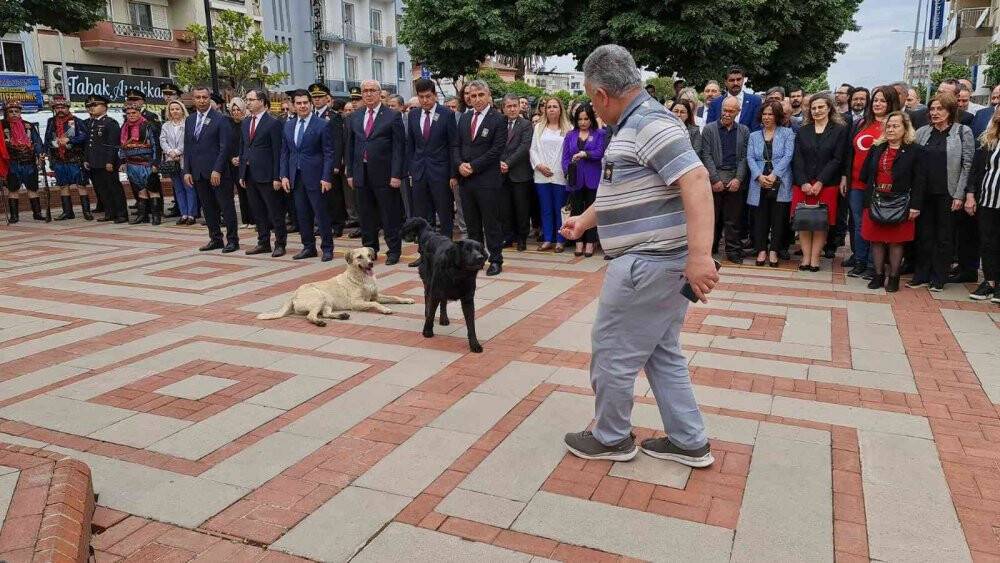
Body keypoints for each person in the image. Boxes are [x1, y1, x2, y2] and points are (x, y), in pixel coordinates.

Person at [561, 44, 718, 467]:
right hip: (658, 265)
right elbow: (621, 191)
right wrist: (585, 221)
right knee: (661, 352)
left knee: (612, 349)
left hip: (647, 264)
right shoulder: (635, 125)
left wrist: (701, 257)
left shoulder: (648, 123)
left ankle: (611, 437)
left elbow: (696, 180)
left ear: (600, 94)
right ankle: (689, 440)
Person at [910, 93, 974, 291]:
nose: (935, 113)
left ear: (950, 111)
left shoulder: (963, 132)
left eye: (940, 109)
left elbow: (967, 165)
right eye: (932, 109)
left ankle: (939, 277)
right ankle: (921, 274)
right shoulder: (922, 132)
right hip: (924, 192)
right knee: (924, 234)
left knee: (944, 237)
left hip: (948, 192)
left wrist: (959, 195)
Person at [859, 111, 924, 292]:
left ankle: (894, 277)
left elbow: (920, 181)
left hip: (901, 202)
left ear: (905, 129)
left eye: (896, 126)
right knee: (877, 240)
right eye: (888, 126)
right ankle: (878, 275)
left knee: (896, 241)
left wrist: (915, 206)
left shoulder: (915, 150)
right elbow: (865, 174)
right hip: (876, 199)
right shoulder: (877, 147)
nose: (891, 129)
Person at [841, 86, 901, 278]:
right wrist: (845, 176)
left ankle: (872, 265)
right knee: (858, 224)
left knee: (873, 224)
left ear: (890, 103)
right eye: (875, 100)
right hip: (856, 183)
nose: (877, 104)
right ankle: (859, 260)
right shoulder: (861, 123)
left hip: (879, 186)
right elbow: (849, 153)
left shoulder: (893, 125)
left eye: (882, 100)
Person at [346, 80, 406, 264]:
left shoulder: (392, 116)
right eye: (365, 91)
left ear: (380, 93)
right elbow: (350, 146)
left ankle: (394, 251)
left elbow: (399, 148)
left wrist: (396, 174)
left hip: (385, 174)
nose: (368, 94)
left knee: (389, 215)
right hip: (361, 173)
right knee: (366, 215)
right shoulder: (354, 117)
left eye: (372, 90)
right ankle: (370, 251)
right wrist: (350, 173)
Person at [792, 92, 848, 271]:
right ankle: (805, 258)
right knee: (804, 222)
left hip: (826, 184)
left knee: (820, 223)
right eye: (814, 108)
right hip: (803, 184)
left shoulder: (839, 130)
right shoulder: (803, 130)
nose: (817, 111)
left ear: (829, 108)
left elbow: (837, 159)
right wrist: (804, 183)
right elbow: (797, 158)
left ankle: (815, 258)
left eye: (821, 107)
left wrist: (820, 182)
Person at [457, 79, 507, 276]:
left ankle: (495, 259)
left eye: (480, 95)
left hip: (487, 180)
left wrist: (473, 166)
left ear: (488, 96)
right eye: (472, 96)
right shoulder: (464, 118)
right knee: (472, 224)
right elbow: (456, 146)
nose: (476, 99)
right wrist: (459, 165)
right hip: (466, 180)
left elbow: (496, 150)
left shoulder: (498, 119)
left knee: (491, 223)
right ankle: (476, 258)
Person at [406, 78, 459, 256]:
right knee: (422, 216)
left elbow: (453, 146)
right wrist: (412, 169)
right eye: (421, 97)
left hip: (441, 172)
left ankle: (446, 253)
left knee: (444, 214)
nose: (425, 100)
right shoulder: (412, 115)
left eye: (428, 96)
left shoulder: (447, 114)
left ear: (435, 96)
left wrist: (453, 174)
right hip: (420, 172)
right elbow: (411, 145)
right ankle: (425, 254)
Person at [282, 89, 336, 261]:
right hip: (295, 177)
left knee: (321, 214)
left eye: (305, 102)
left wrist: (326, 177)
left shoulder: (322, 124)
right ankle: (308, 246)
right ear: (294, 105)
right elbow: (285, 153)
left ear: (311, 104)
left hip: (317, 177)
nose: (302, 106)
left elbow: (329, 153)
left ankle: (327, 248)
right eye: (299, 103)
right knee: (302, 214)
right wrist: (283, 175)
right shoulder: (289, 125)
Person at [185, 86, 238, 253]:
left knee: (226, 206)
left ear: (210, 99)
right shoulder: (190, 120)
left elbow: (225, 147)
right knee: (208, 208)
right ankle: (215, 238)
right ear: (193, 100)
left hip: (218, 173)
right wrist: (187, 170)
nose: (201, 100)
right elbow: (188, 147)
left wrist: (218, 169)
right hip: (199, 172)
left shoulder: (221, 119)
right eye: (198, 97)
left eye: (204, 97)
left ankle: (232, 240)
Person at [700, 96, 749, 263]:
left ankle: (733, 252)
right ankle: (709, 250)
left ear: (738, 112)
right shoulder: (709, 129)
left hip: (735, 179)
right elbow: (705, 155)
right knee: (711, 219)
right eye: (725, 110)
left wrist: (738, 179)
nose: (727, 114)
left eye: (731, 111)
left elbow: (744, 157)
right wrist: (714, 179)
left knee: (733, 220)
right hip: (714, 179)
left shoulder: (744, 131)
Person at [240, 89, 287, 257]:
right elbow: (244, 148)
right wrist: (242, 174)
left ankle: (280, 243)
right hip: (251, 174)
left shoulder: (273, 123)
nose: (248, 102)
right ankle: (263, 242)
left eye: (251, 99)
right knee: (257, 211)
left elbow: (278, 151)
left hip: (268, 175)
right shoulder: (246, 122)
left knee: (275, 212)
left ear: (261, 101)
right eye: (247, 99)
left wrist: (277, 176)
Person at [747, 100, 795, 267]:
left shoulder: (787, 133)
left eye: (771, 114)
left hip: (780, 180)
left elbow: (788, 156)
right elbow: (750, 157)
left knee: (778, 217)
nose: (767, 117)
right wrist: (758, 175)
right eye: (765, 114)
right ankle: (761, 249)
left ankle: (774, 250)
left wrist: (774, 175)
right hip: (759, 180)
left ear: (777, 116)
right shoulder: (754, 135)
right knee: (760, 217)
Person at [561, 103, 606, 257]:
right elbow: (565, 157)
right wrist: (568, 172)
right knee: (576, 210)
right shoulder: (570, 135)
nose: (583, 122)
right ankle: (578, 242)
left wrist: (585, 154)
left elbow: (600, 152)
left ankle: (590, 243)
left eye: (586, 118)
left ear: (591, 119)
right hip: (575, 179)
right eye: (580, 119)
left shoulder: (599, 133)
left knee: (591, 213)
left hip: (593, 178)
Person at [530, 96, 572, 252]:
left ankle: (561, 239)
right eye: (549, 107)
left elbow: (568, 152)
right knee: (545, 208)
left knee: (559, 208)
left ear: (560, 109)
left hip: (560, 174)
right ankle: (548, 238)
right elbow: (533, 149)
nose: (552, 109)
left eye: (555, 106)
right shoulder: (539, 127)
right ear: (544, 110)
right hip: (542, 174)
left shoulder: (568, 128)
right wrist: (539, 165)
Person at [968, 105, 1000, 301]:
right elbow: (977, 169)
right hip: (988, 198)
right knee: (987, 242)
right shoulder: (990, 138)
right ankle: (989, 281)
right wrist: (971, 194)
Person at [308, 83, 347, 237]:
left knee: (334, 196)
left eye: (320, 97)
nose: (317, 100)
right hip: (315, 162)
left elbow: (338, 142)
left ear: (327, 98)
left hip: (329, 162)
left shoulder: (333, 116)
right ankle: (323, 223)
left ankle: (337, 225)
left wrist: (336, 164)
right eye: (314, 98)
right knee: (319, 195)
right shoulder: (310, 116)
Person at [82, 95, 128, 223]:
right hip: (94, 161)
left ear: (104, 107)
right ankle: (109, 213)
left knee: (114, 188)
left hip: (107, 162)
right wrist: (86, 159)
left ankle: (121, 214)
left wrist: (110, 161)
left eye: (95, 105)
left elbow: (113, 144)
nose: (92, 108)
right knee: (102, 189)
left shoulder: (110, 122)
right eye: (90, 106)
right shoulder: (91, 122)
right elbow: (88, 144)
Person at [45, 95, 91, 221]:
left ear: (67, 108)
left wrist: (69, 139)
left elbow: (84, 136)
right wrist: (44, 152)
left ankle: (86, 211)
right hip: (58, 158)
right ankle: (67, 212)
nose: (60, 109)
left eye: (63, 107)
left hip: (75, 158)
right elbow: (47, 139)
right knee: (63, 186)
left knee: (81, 185)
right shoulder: (51, 122)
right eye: (57, 107)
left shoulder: (76, 120)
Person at [500, 93, 534, 251]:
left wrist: (508, 163)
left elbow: (524, 147)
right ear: (504, 108)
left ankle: (522, 238)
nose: (512, 109)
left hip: (520, 173)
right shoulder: (499, 124)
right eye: (509, 106)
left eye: (515, 106)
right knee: (505, 208)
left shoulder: (526, 124)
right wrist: (499, 163)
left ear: (519, 107)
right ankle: (508, 236)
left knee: (521, 208)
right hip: (501, 173)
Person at [2, 100, 44, 222]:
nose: (14, 114)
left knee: (33, 188)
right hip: (12, 163)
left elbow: (37, 142)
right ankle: (14, 216)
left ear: (20, 112)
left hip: (29, 162)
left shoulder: (28, 125)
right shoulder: (2, 126)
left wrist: (39, 154)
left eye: (17, 111)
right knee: (13, 189)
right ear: (6, 113)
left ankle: (37, 214)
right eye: (11, 111)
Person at [120, 103, 162, 225]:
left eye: (134, 113)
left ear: (139, 113)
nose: (131, 115)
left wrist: (155, 162)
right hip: (132, 164)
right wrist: (122, 161)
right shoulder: (124, 127)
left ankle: (156, 216)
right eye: (128, 113)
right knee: (140, 190)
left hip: (147, 163)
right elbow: (122, 147)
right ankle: (142, 216)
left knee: (152, 188)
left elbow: (156, 145)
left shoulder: (148, 126)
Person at [160, 99, 197, 226]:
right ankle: (184, 214)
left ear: (182, 110)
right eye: (172, 109)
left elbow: (189, 141)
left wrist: (178, 151)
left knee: (189, 187)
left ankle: (192, 214)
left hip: (185, 160)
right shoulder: (165, 125)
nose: (174, 111)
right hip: (171, 161)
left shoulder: (188, 123)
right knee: (178, 189)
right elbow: (162, 141)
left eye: (177, 109)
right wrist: (170, 152)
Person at [227, 97, 255, 229]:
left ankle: (254, 219)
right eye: (233, 110)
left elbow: (247, 144)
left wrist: (241, 157)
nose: (236, 112)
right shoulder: (228, 125)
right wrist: (231, 158)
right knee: (240, 191)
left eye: (238, 109)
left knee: (249, 192)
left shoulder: (247, 124)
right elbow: (225, 144)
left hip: (245, 162)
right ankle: (245, 220)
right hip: (233, 163)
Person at [706, 66, 761, 131]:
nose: (736, 83)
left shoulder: (755, 101)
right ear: (725, 82)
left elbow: (756, 129)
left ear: (743, 80)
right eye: (732, 80)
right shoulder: (715, 103)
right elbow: (710, 129)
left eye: (738, 79)